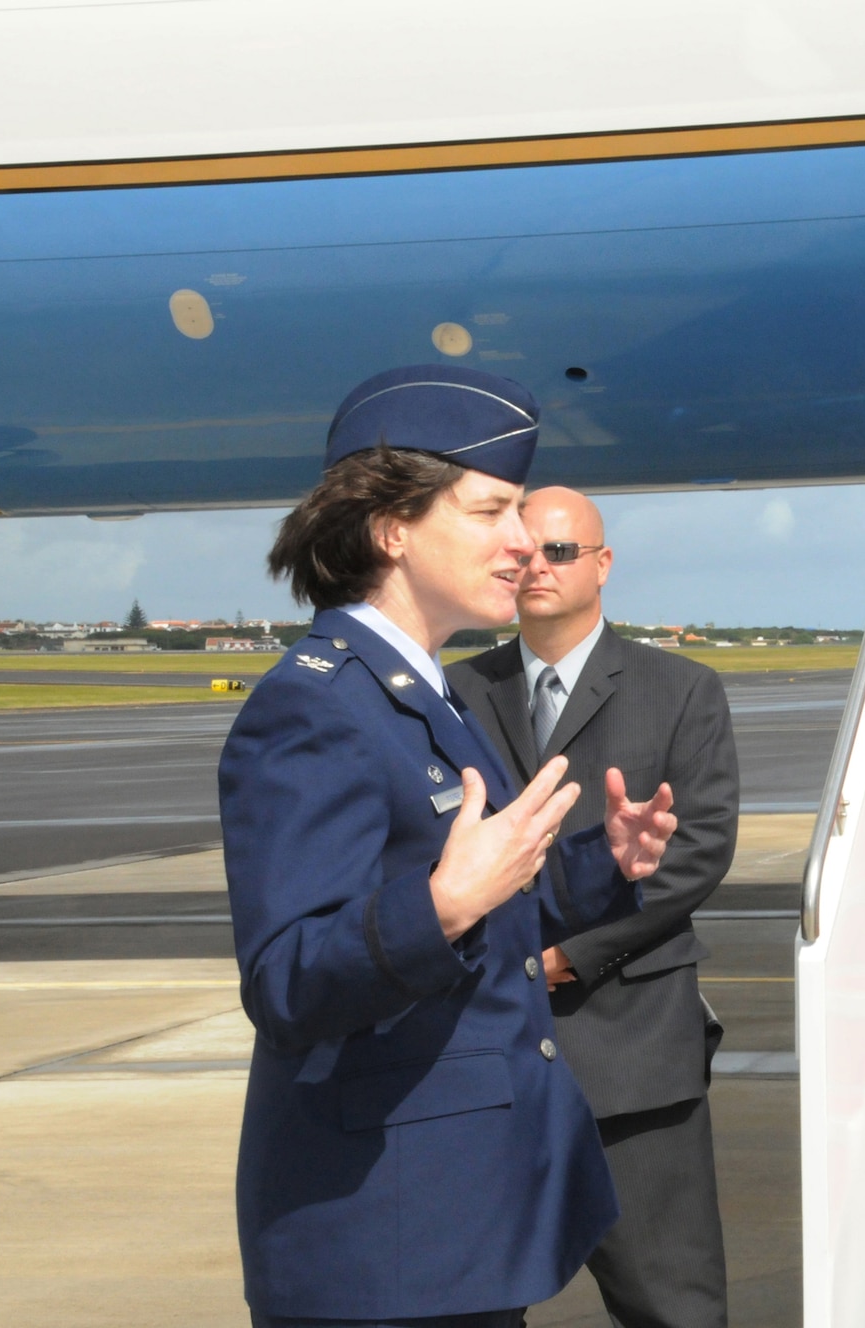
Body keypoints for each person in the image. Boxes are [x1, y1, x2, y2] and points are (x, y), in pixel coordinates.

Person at [218, 365, 678, 1328]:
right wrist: (441, 905)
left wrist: (602, 867)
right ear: (391, 528)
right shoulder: (317, 707)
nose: (522, 543)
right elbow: (289, 982)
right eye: (490, 511)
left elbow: (489, 907)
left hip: (450, 1223)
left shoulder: (423, 693)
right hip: (382, 1237)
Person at [447, 486, 737, 1328]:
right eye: (525, 551)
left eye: (561, 551)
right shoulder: (455, 691)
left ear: (602, 564)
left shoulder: (681, 688)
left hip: (631, 1048)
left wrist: (568, 958)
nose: (538, 565)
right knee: (471, 1301)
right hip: (488, 1046)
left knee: (668, 1304)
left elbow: (696, 852)